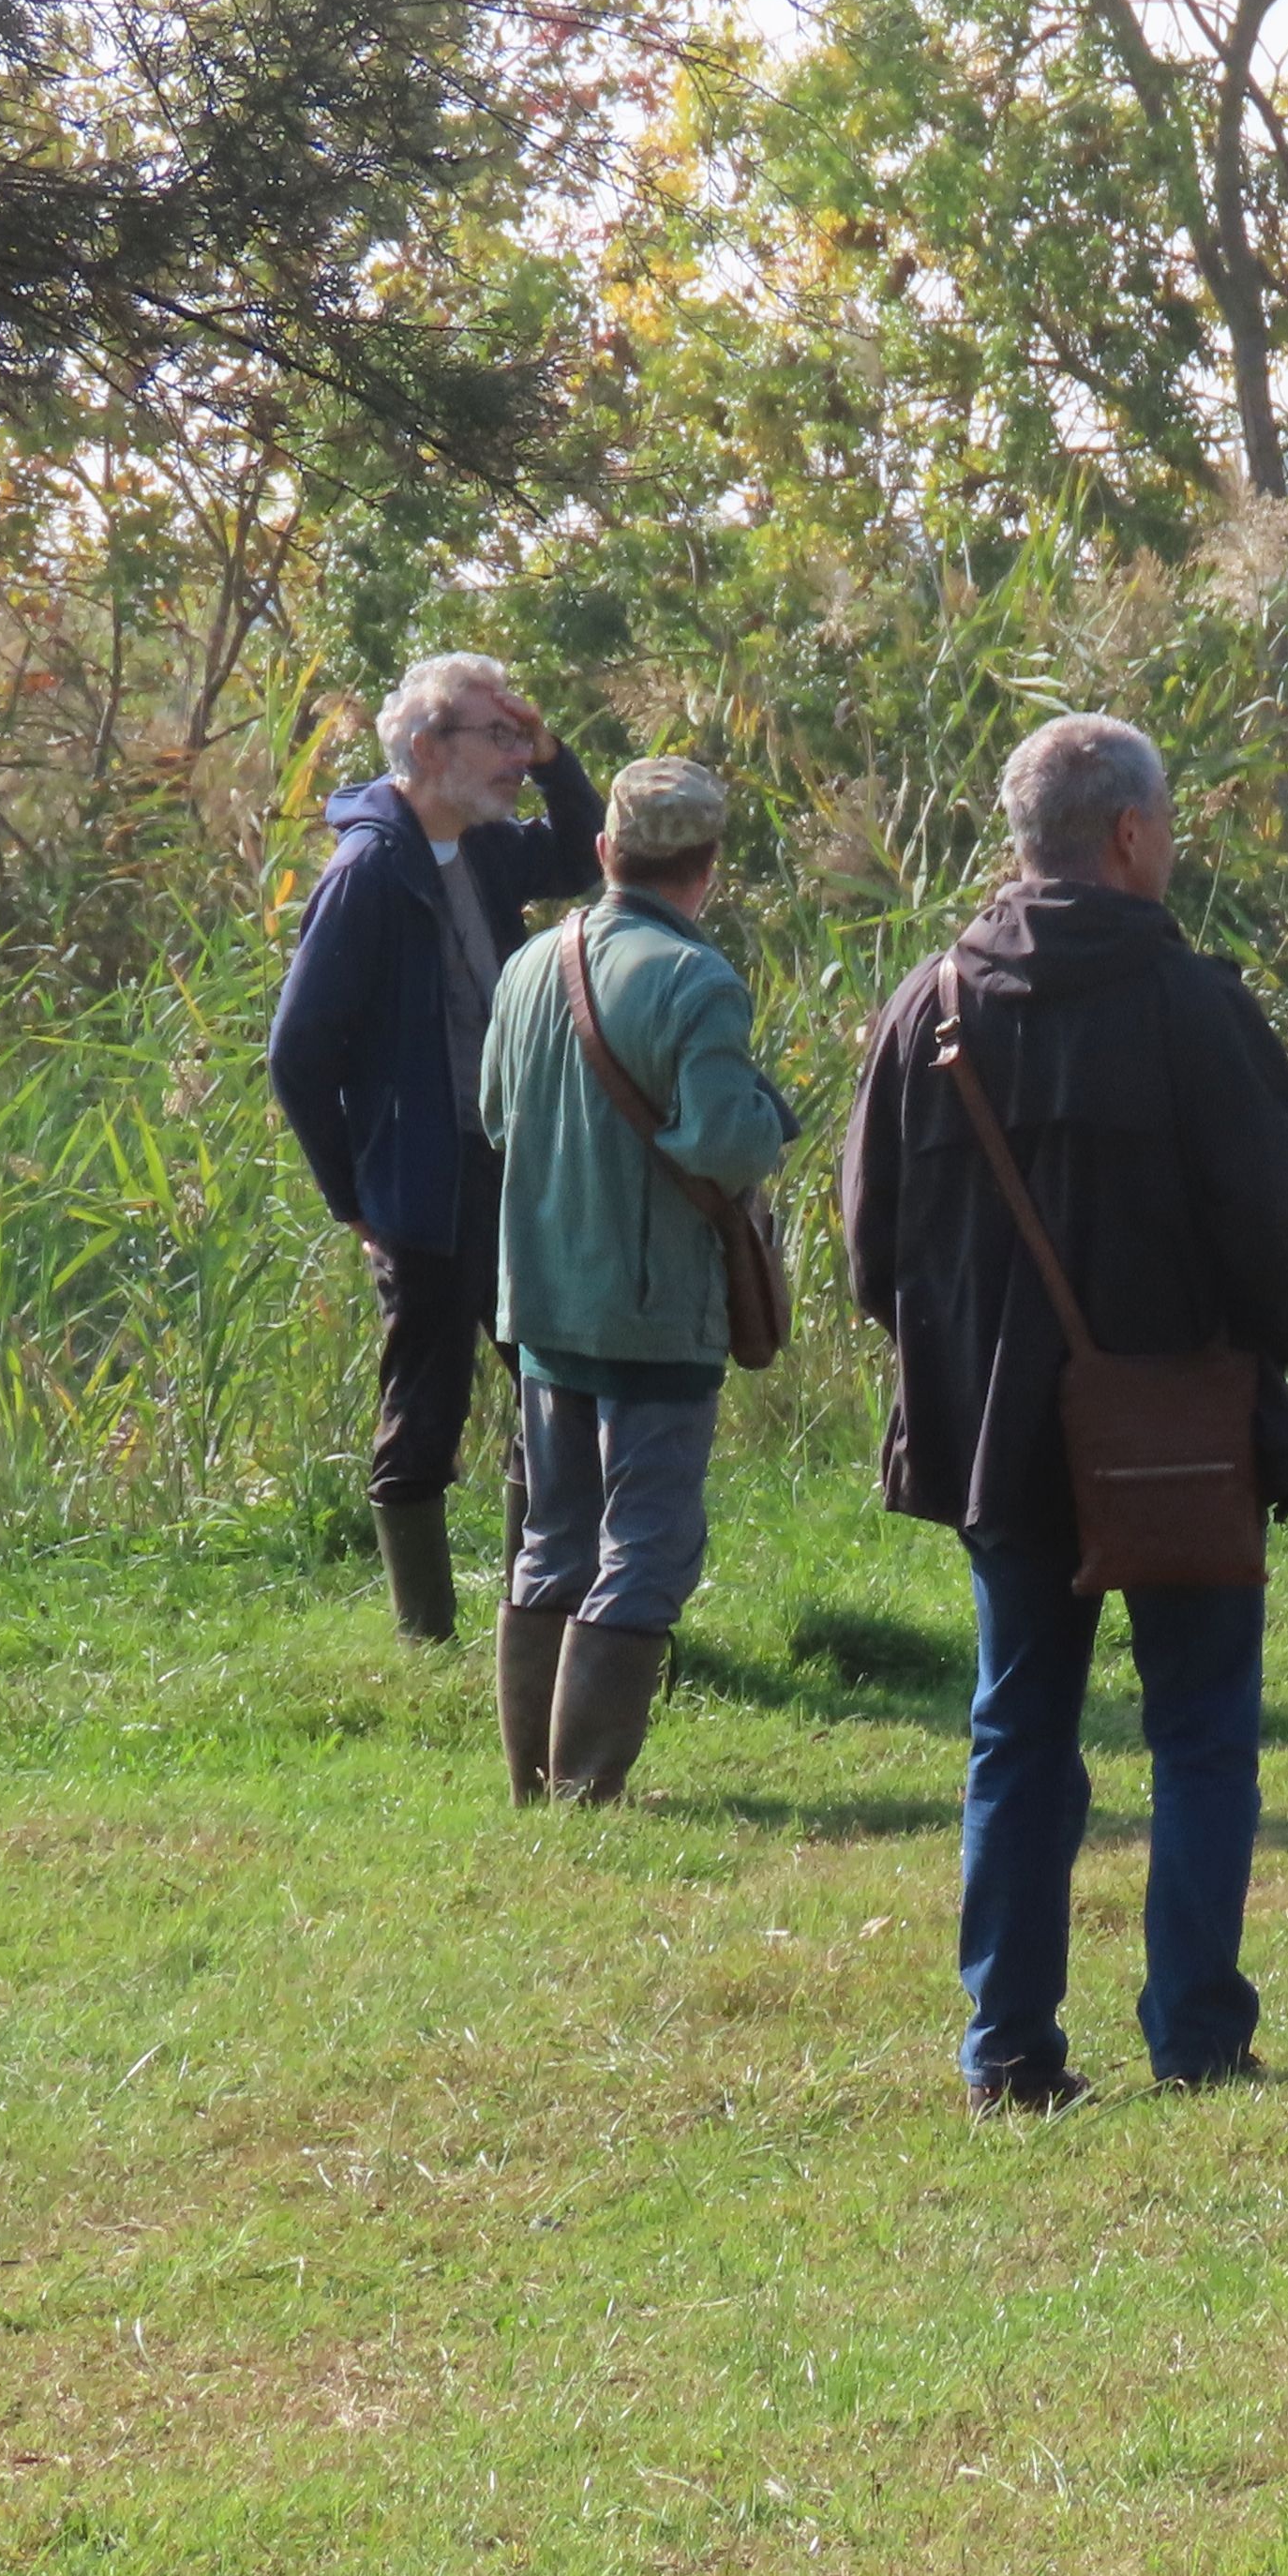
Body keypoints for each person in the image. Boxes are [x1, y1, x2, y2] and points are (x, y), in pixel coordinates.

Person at [845, 715, 1288, 2115]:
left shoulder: (930, 1005)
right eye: (1164, 824)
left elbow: (874, 1249)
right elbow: (1264, 1226)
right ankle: (1196, 2035)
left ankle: (1007, 2050)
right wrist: (1256, 1358)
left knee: (1020, 1726)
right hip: (1175, 1427)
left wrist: (964, 1361)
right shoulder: (1196, 1008)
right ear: (1128, 834)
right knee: (1201, 1727)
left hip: (995, 1435)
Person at [265, 653, 601, 1648]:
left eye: (515, 738)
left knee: (552, 1381)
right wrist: (352, 1195)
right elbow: (297, 1053)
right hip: (422, 1181)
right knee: (429, 1400)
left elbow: (585, 855)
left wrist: (555, 757)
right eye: (493, 739)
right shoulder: (372, 870)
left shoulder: (488, 849)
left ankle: (529, 1612)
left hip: (512, 1168)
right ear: (422, 748)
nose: (511, 758)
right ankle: (425, 1640)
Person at [478, 754, 793, 1808]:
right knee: (648, 1540)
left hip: (542, 1302)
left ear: (607, 852)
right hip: (654, 1311)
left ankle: (536, 1787)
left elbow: (491, 1117)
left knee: (553, 1534)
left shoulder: (530, 965)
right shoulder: (695, 978)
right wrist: (768, 1116)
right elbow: (724, 1142)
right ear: (707, 869)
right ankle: (588, 1791)